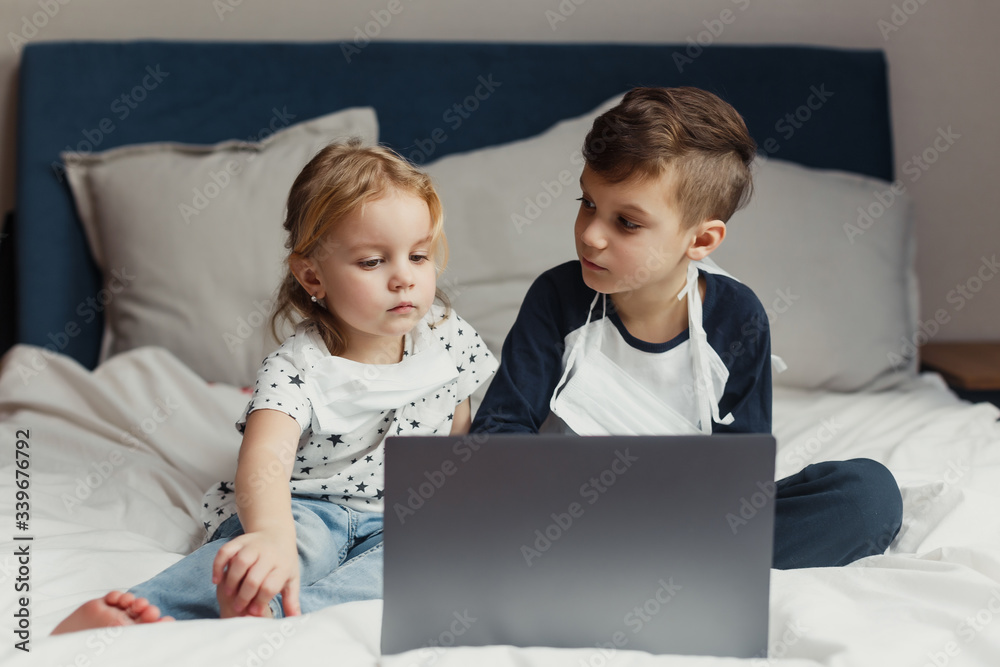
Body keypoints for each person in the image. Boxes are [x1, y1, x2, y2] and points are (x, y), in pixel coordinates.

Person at [53, 140, 498, 633]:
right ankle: (138, 612)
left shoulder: (446, 336)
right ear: (313, 275)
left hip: (403, 512)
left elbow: (458, 426)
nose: (404, 279)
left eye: (418, 256)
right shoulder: (296, 367)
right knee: (265, 558)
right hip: (306, 506)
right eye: (373, 262)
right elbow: (264, 461)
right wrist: (271, 536)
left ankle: (287, 619)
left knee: (409, 567)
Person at [471, 86, 903, 569]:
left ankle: (646, 561)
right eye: (587, 203)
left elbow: (741, 475)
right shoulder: (558, 297)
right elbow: (500, 429)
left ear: (701, 239)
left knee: (867, 495)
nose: (591, 235)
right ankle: (658, 563)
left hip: (684, 518)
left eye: (627, 223)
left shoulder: (738, 318)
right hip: (562, 510)